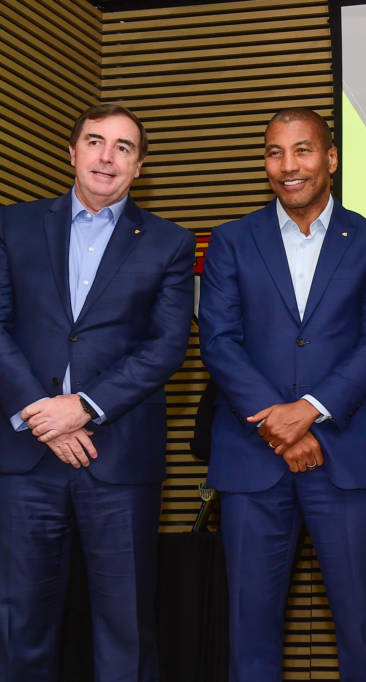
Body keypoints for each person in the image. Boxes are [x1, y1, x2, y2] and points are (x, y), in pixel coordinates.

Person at [198, 108, 366, 682]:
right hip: (251, 461)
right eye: (274, 152)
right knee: (250, 634)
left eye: (303, 150)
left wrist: (309, 411)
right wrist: (278, 427)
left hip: (345, 457)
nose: (288, 165)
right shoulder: (231, 241)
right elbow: (218, 341)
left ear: (331, 158)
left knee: (365, 631)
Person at [0, 104, 195, 681]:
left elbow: (166, 347)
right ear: (72, 153)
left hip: (120, 461)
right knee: (18, 627)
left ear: (139, 167)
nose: (107, 157)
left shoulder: (169, 243)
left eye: (123, 147)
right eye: (95, 142)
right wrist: (43, 415)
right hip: (26, 459)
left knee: (125, 632)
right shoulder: (12, 225)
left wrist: (82, 408)